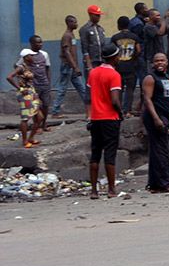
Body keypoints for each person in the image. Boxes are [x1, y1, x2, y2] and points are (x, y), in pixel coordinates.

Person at [87, 43, 124, 199]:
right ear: (114, 58)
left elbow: (89, 97)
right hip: (109, 118)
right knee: (110, 153)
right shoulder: (114, 75)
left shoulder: (93, 73)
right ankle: (111, 189)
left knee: (95, 153)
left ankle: (94, 190)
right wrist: (121, 113)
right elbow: (115, 99)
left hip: (95, 118)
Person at [141, 53, 169, 193]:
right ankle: (164, 183)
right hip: (155, 117)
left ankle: (155, 184)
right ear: (152, 63)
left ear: (167, 62)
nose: (160, 63)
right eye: (157, 61)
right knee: (161, 151)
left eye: (162, 60)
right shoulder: (151, 78)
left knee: (159, 150)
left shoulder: (167, 78)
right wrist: (156, 118)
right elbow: (147, 99)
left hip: (165, 116)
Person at [51, 15, 87, 118]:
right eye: (74, 22)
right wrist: (75, 67)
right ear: (69, 23)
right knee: (62, 89)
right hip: (68, 66)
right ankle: (55, 111)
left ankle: (91, 106)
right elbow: (67, 52)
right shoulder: (67, 36)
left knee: (81, 88)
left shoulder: (71, 35)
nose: (76, 24)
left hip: (72, 67)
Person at [18, 35, 51, 132]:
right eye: (38, 42)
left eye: (41, 42)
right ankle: (37, 125)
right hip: (33, 85)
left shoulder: (44, 54)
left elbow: (47, 68)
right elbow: (17, 65)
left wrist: (49, 81)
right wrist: (24, 78)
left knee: (45, 105)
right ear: (32, 44)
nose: (40, 44)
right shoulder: (28, 55)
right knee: (35, 106)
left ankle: (44, 124)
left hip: (44, 83)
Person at [110, 16, 141, 118]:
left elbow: (112, 51)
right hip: (131, 67)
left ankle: (118, 111)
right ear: (129, 25)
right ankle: (127, 111)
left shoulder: (115, 38)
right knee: (130, 90)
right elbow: (139, 50)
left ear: (119, 25)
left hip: (118, 68)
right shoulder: (134, 37)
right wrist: (133, 58)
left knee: (119, 89)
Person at [7, 63, 41, 148]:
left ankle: (31, 138)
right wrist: (20, 89)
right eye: (31, 55)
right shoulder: (20, 67)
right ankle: (25, 141)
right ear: (26, 56)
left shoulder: (28, 66)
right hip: (25, 95)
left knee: (40, 117)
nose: (33, 56)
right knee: (25, 118)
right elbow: (9, 77)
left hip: (31, 92)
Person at [79, 4, 106, 87]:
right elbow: (85, 48)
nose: (99, 17)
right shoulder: (85, 29)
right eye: (97, 15)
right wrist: (89, 65)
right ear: (90, 15)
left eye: (99, 15)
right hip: (92, 62)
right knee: (91, 86)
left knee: (101, 84)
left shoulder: (100, 29)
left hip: (101, 61)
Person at [141, 8, 168, 80]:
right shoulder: (148, 27)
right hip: (152, 56)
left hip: (158, 54)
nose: (159, 17)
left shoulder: (155, 25)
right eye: (157, 16)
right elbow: (160, 33)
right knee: (152, 75)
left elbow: (164, 31)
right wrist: (164, 22)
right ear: (151, 16)